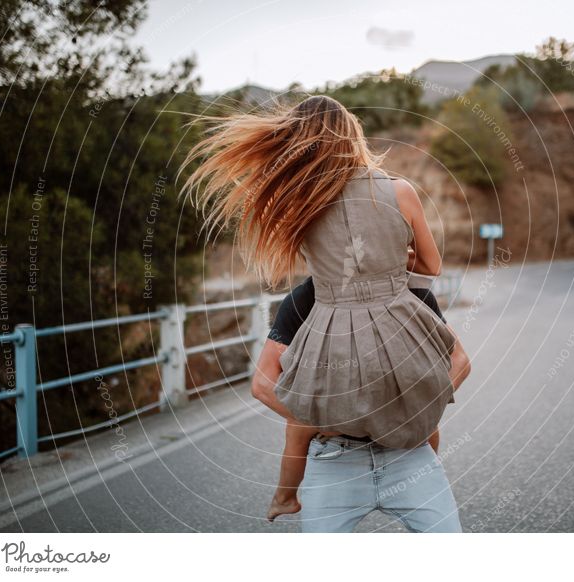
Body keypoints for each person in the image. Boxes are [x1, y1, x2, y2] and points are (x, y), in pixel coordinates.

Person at [181, 94, 469, 532]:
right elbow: (431, 267)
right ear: (352, 134)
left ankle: (285, 492)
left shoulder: (300, 203)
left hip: (331, 371)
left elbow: (264, 383)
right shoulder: (401, 191)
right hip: (405, 436)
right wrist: (395, 258)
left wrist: (321, 420)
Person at [253, 275, 471, 522]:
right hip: (332, 431)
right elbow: (262, 384)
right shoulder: (305, 298)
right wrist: (326, 421)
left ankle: (285, 496)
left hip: (405, 434)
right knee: (297, 427)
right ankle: (285, 497)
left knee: (428, 425)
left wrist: (422, 404)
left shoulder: (412, 293)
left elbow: (460, 361)